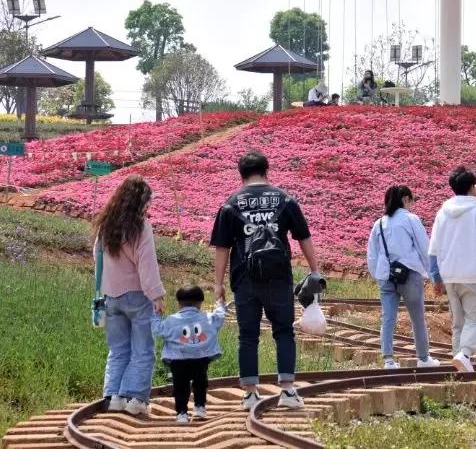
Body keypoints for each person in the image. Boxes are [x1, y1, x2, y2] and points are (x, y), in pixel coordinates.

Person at [210, 150, 324, 410]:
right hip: (279, 278)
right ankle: (288, 391)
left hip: (244, 279)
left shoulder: (231, 203)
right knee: (284, 332)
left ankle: (250, 394)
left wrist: (218, 284)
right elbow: (304, 237)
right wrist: (315, 270)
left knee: (248, 336)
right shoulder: (284, 199)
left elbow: (222, 248)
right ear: (266, 170)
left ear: (241, 175)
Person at [94, 175, 165, 417]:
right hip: (137, 296)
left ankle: (113, 395)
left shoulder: (106, 225)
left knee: (118, 348)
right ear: (141, 202)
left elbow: (98, 258)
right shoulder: (140, 227)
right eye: (149, 201)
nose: (149, 206)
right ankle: (135, 398)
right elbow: (147, 265)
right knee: (143, 350)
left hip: (111, 296)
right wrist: (156, 295)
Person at [428, 167, 476, 373]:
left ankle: (458, 362)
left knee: (458, 322)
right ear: (471, 187)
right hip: (473, 275)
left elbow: (433, 250)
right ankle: (465, 355)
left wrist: (436, 278)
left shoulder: (442, 213)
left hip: (449, 276)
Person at [367, 186, 439, 369]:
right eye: (411, 200)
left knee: (388, 318)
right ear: (406, 199)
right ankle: (423, 359)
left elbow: (372, 254)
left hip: (386, 276)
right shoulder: (410, 219)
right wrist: (433, 274)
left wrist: (378, 275)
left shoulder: (379, 223)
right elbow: (424, 248)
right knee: (417, 317)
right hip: (410, 275)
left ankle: (389, 360)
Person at [152, 286, 226, 424]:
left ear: (179, 303)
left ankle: (181, 413)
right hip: (201, 358)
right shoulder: (207, 318)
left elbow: (157, 330)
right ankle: (199, 407)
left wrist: (156, 313)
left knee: (180, 386)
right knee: (200, 382)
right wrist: (220, 303)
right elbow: (220, 317)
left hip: (178, 359)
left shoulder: (171, 320)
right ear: (201, 302)